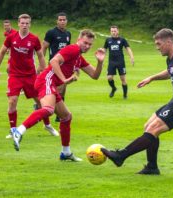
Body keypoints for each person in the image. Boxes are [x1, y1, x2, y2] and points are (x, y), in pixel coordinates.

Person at [101, 28, 173, 175]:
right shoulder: (171, 59)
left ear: (169, 42)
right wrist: (151, 78)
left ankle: (121, 156)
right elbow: (170, 72)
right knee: (148, 126)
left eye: (159, 44)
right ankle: (152, 167)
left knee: (154, 128)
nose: (157, 47)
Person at [11, 29, 106, 162]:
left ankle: (66, 153)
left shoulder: (79, 58)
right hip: (46, 80)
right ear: (78, 40)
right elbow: (54, 61)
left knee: (66, 117)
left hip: (51, 84)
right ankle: (18, 131)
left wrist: (100, 62)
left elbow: (95, 75)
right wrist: (64, 79)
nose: (87, 46)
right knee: (49, 109)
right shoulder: (73, 48)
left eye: (90, 44)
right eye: (85, 42)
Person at [0, 14, 58, 139]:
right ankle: (13, 130)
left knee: (41, 102)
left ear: (30, 24)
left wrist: (43, 70)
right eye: (22, 23)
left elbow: (40, 56)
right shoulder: (11, 37)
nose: (25, 25)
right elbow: (2, 52)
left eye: (27, 23)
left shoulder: (34, 39)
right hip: (14, 75)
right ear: (18, 24)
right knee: (12, 101)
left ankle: (47, 125)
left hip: (30, 76)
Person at [41, 12, 72, 122]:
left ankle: (59, 114)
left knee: (63, 89)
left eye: (64, 20)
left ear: (66, 21)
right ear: (57, 21)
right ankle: (44, 106)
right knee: (56, 89)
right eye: (60, 20)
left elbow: (69, 51)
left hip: (65, 66)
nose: (62, 21)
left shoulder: (68, 34)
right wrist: (42, 63)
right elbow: (43, 47)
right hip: (53, 65)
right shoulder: (51, 33)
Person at [103, 25, 134, 99]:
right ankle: (113, 88)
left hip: (120, 62)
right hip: (111, 62)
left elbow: (128, 48)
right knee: (109, 77)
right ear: (110, 32)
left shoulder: (122, 40)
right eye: (112, 31)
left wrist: (131, 57)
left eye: (115, 31)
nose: (113, 32)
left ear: (118, 31)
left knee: (123, 79)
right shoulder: (108, 40)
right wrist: (102, 60)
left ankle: (125, 95)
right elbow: (104, 50)